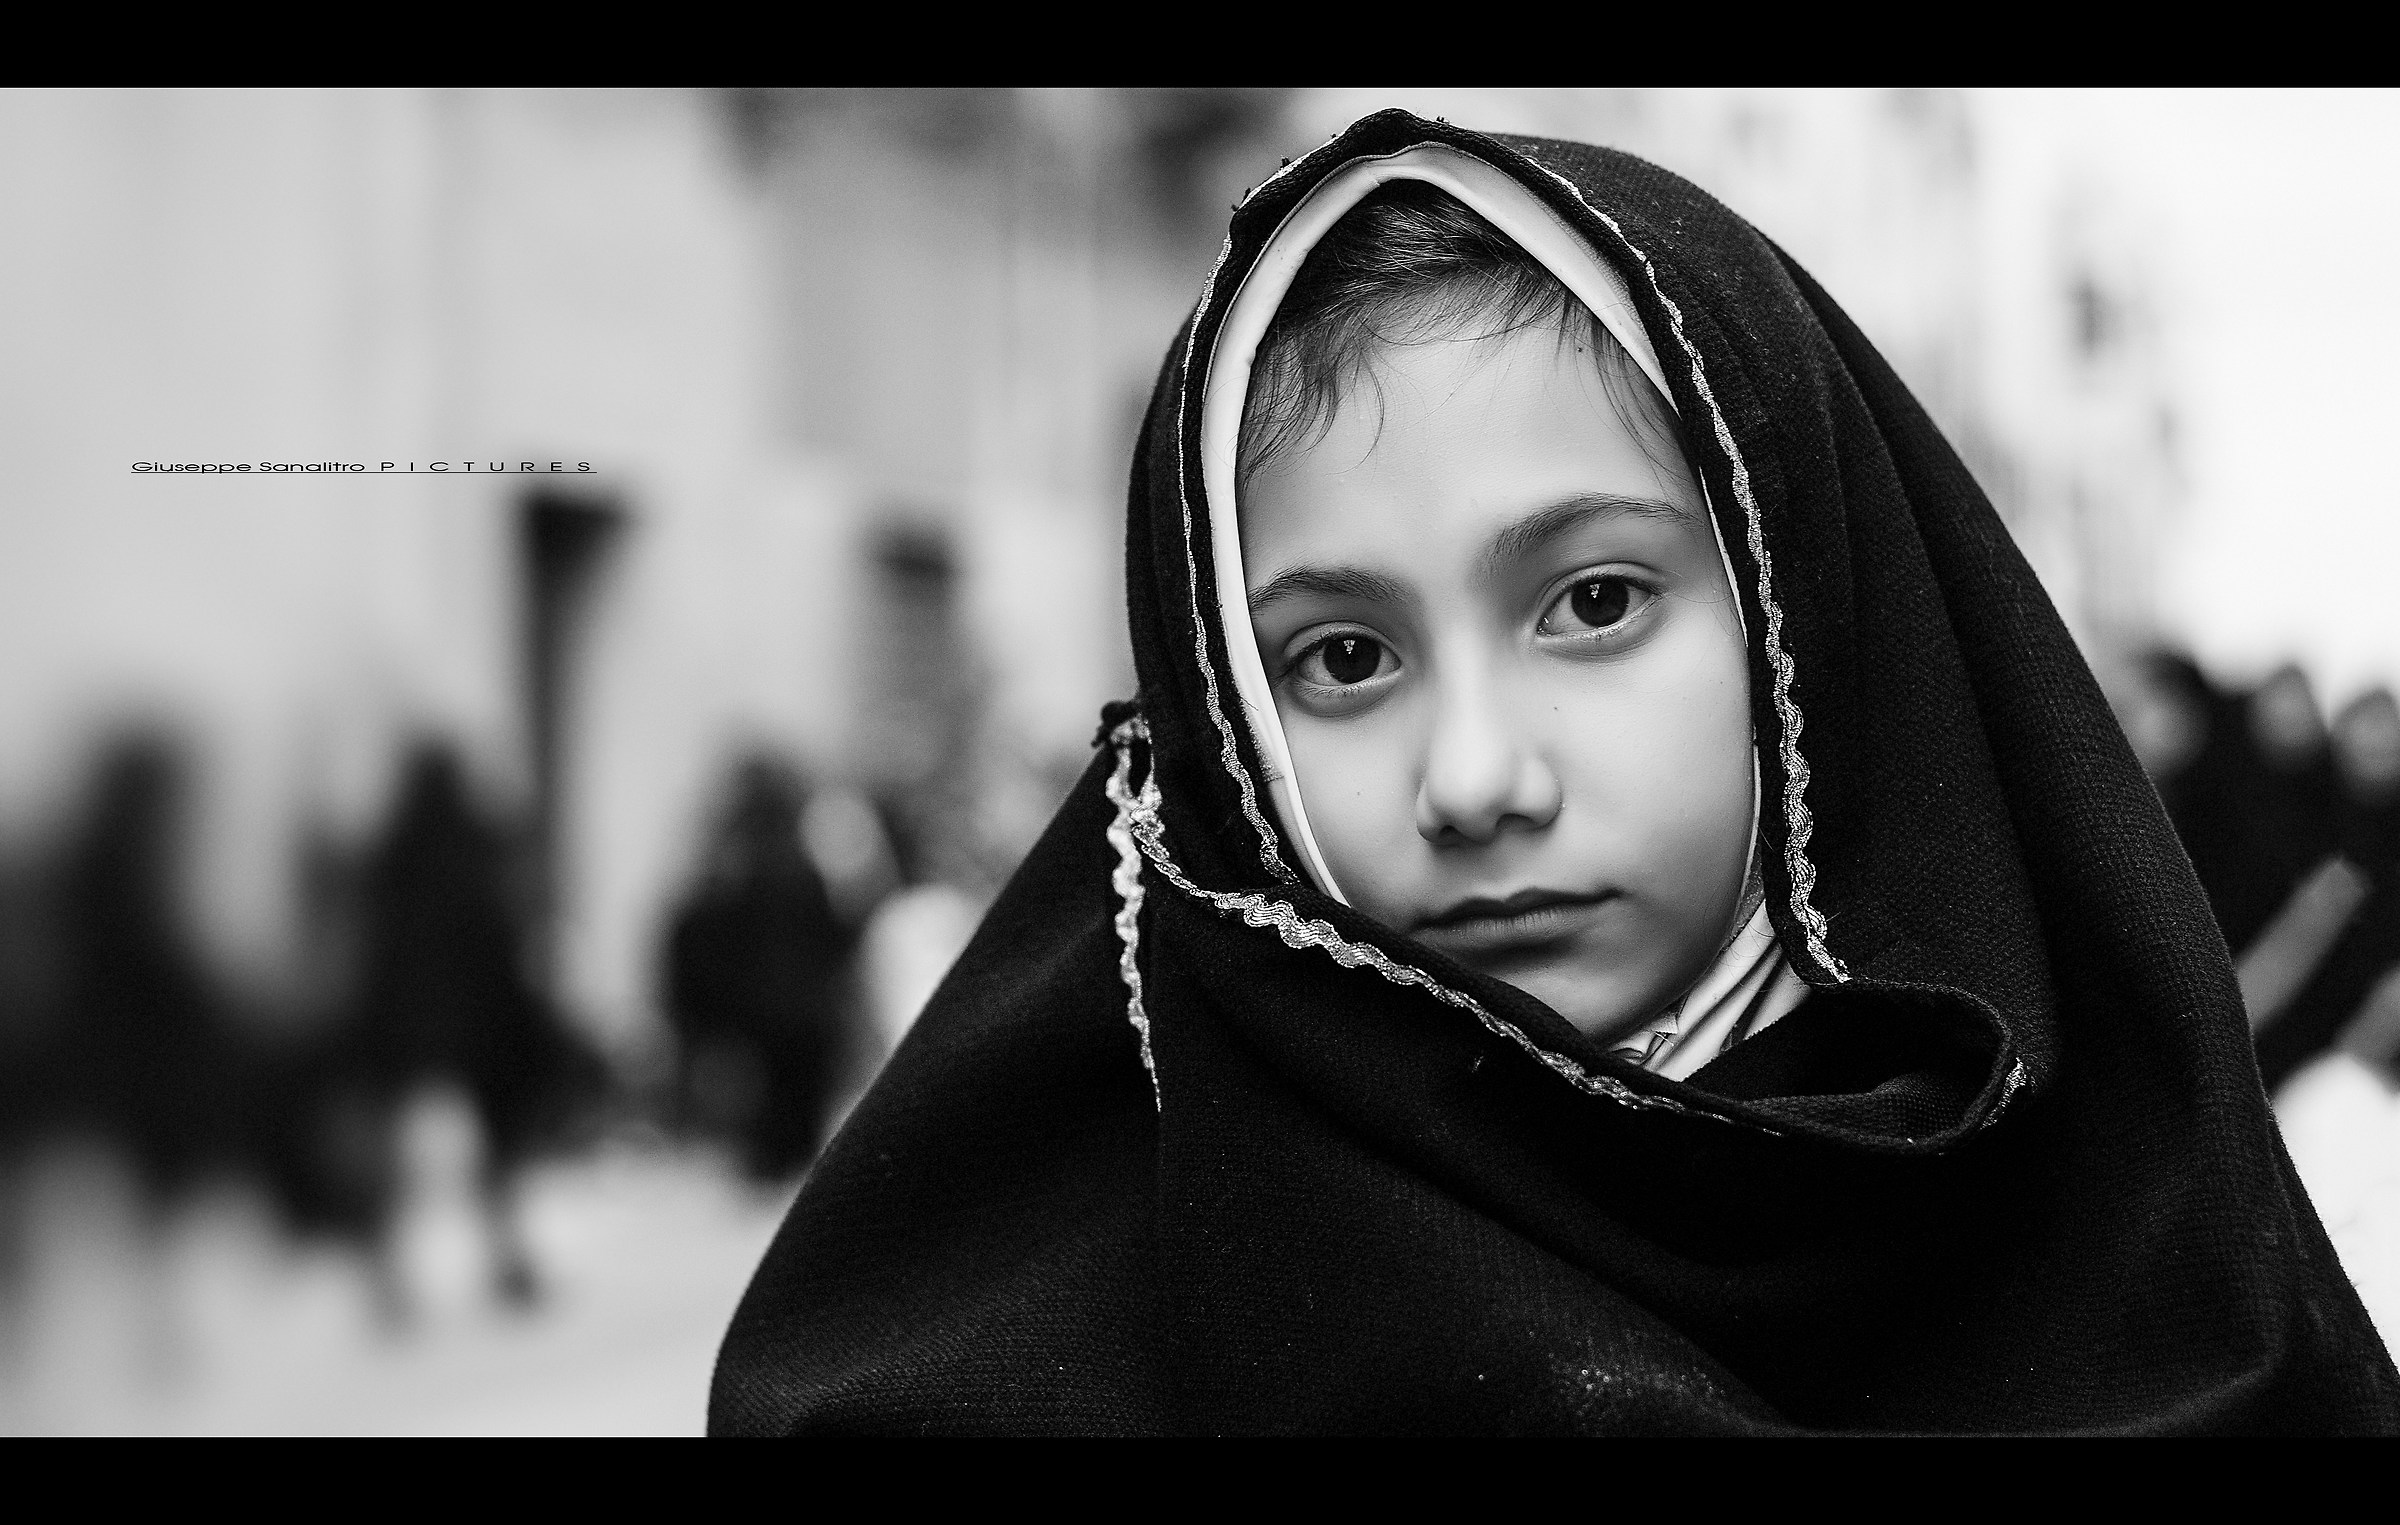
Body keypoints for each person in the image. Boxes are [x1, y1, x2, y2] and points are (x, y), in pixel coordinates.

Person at [712, 111, 2400, 1434]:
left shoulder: (2160, 1279)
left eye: (1592, 603)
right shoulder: (955, 1363)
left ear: (1806, 618)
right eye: (1342, 659)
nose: (1475, 776)